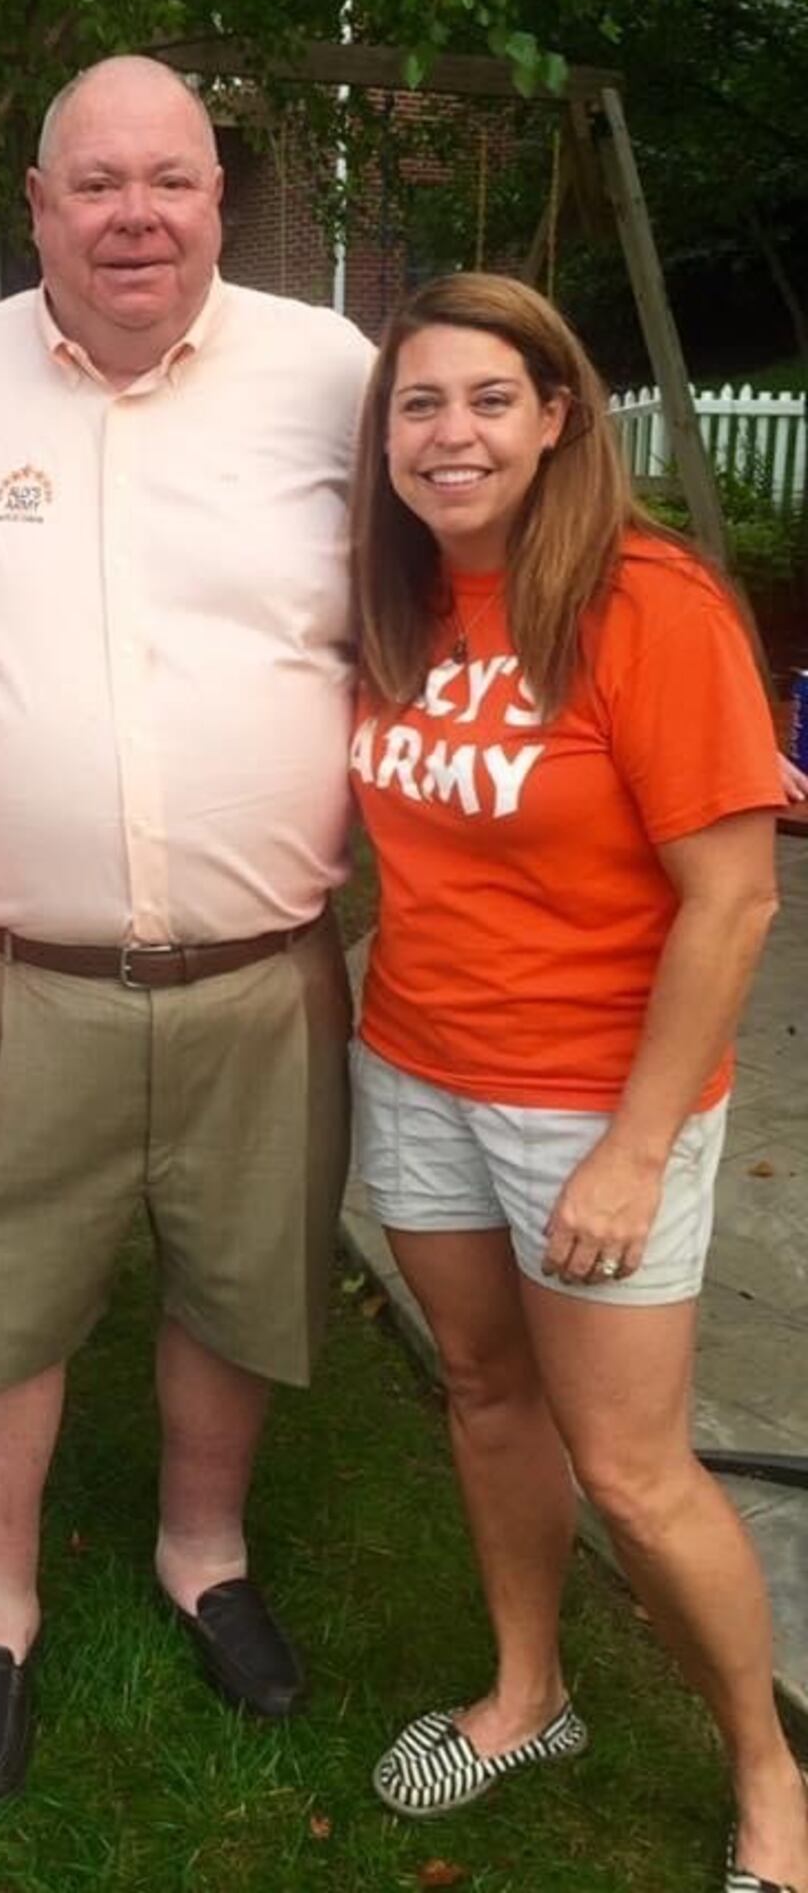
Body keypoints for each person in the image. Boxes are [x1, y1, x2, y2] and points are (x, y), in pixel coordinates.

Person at [0, 54, 374, 1801]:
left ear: (220, 197)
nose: (134, 213)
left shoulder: (337, 379)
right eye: (96, 182)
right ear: (36, 204)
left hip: (264, 977)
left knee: (238, 1282)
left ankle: (202, 1552)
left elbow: (488, 542)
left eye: (169, 178)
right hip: (24, 976)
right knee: (10, 1296)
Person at [349, 273, 808, 1893]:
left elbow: (736, 896)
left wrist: (626, 1150)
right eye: (419, 403)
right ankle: (529, 1690)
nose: (450, 432)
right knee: (485, 1394)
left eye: (488, 398)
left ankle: (770, 1774)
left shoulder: (648, 602)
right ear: (385, 435)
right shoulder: (401, 600)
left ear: (559, 416)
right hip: (415, 1067)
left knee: (633, 1464)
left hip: (591, 1107)